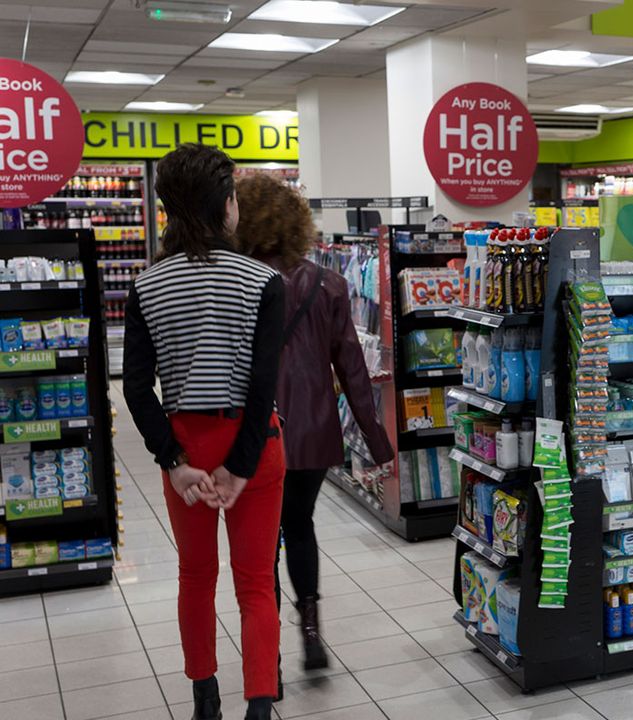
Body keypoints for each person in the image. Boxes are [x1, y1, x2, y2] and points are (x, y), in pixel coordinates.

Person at [123, 144, 285, 720]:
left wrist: (175, 460)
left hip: (186, 447)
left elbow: (136, 391)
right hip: (254, 447)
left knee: (195, 577)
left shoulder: (147, 287)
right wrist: (240, 468)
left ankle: (204, 700)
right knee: (256, 584)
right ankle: (260, 707)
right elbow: (264, 386)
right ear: (227, 206)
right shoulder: (264, 281)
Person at [234, 174, 394, 671]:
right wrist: (378, 442)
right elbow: (352, 369)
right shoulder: (330, 284)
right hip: (312, 430)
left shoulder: (235, 282)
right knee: (299, 526)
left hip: (253, 431)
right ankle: (311, 631)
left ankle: (269, 658)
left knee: (260, 543)